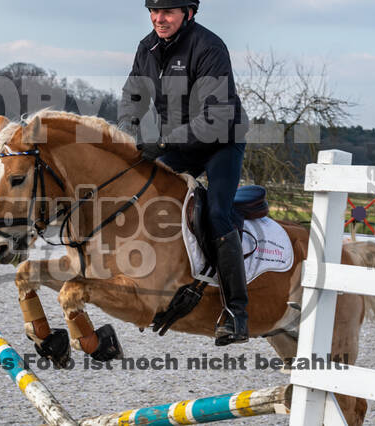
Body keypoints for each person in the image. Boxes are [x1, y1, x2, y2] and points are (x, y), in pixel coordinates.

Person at [118, 0, 249, 346]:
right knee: (139, 192)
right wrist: (128, 135)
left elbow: (213, 119)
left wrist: (161, 143)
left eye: (168, 13)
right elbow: (133, 98)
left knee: (218, 212)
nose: (159, 19)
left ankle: (236, 312)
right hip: (177, 142)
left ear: (188, 13)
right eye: (154, 12)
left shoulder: (209, 47)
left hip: (221, 141)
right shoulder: (146, 48)